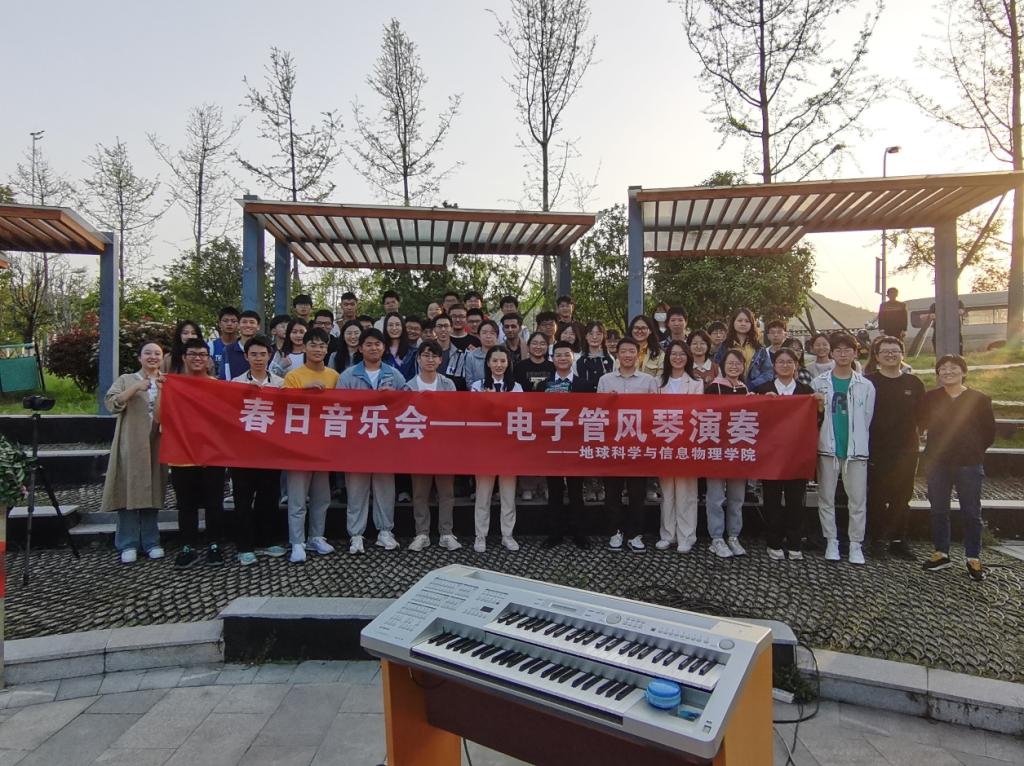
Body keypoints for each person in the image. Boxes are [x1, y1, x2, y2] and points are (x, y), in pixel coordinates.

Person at [920, 354, 996, 581]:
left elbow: (989, 432)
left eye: (953, 368)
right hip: (937, 462)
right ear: (938, 373)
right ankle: (941, 553)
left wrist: (974, 450)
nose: (948, 372)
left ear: (963, 372)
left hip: (969, 463)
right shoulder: (931, 397)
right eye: (943, 368)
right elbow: (922, 423)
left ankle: (973, 556)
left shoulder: (979, 399)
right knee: (938, 510)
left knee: (971, 512)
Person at [337, 328, 407, 554]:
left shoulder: (394, 375)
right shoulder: (348, 376)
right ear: (360, 348)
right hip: (357, 444)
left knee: (385, 489)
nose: (373, 348)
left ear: (384, 347)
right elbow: (339, 408)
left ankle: (385, 531)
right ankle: (356, 534)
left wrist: (394, 397)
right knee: (356, 490)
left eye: (378, 344)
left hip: (385, 443)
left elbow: (407, 406)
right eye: (368, 344)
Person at [811, 333, 875, 566]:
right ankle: (832, 541)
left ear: (855, 353)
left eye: (848, 350)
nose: (843, 354)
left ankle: (856, 544)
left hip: (855, 450)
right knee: (826, 497)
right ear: (831, 353)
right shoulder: (819, 383)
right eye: (838, 350)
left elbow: (867, 417)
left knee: (857, 500)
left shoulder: (865, 385)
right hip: (827, 448)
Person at [102, 341, 166, 564]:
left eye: (157, 353)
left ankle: (151, 541)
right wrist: (135, 388)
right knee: (127, 491)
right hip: (130, 442)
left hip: (157, 442)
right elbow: (111, 403)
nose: (152, 357)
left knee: (153, 491)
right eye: (148, 353)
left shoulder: (167, 381)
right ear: (139, 357)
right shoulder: (127, 379)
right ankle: (127, 542)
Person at [283, 327, 340, 563]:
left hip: (324, 445)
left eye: (322, 345)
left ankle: (316, 536)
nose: (318, 349)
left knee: (321, 496)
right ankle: (297, 542)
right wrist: (303, 392)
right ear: (304, 347)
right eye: (313, 345)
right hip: (299, 446)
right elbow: (283, 407)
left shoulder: (334, 376)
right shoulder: (293, 376)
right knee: (298, 498)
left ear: (327, 349)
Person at [169, 338, 227, 568]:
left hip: (212, 454)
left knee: (214, 503)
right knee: (186, 504)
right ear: (184, 357)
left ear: (209, 359)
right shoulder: (173, 385)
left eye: (202, 354)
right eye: (192, 354)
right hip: (182, 454)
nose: (198, 358)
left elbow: (224, 421)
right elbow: (162, 417)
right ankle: (187, 546)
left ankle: (214, 544)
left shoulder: (218, 386)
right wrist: (163, 390)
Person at [866, 336, 925, 560]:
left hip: (907, 449)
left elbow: (923, 415)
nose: (890, 355)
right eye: (885, 351)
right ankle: (877, 540)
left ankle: (899, 540)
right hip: (877, 448)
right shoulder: (868, 382)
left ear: (902, 354)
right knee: (877, 496)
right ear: (877, 356)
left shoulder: (914, 383)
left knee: (902, 496)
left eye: (894, 351)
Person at [597, 337, 658, 552]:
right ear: (617, 354)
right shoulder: (605, 380)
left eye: (632, 351)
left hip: (637, 446)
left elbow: (655, 412)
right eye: (623, 351)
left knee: (637, 492)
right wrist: (608, 401)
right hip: (613, 445)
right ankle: (615, 532)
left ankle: (635, 534)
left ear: (638, 354)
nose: (627, 355)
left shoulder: (648, 381)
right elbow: (597, 413)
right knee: (612, 491)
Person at [755, 348, 815, 560]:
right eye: (781, 361)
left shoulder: (806, 391)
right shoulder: (763, 389)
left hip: (797, 454)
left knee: (795, 499)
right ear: (774, 365)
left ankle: (795, 542)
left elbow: (815, 422)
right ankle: (773, 542)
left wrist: (819, 406)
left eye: (790, 362)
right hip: (770, 454)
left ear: (796, 365)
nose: (785, 365)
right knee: (771, 499)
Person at [231, 336, 286, 564]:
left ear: (270, 356)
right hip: (242, 452)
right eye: (253, 354)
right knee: (243, 499)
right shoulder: (235, 384)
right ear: (246, 357)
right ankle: (244, 546)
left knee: (269, 497)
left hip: (270, 451)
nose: (258, 358)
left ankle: (268, 541)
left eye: (263, 354)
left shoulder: (281, 384)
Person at [405, 341, 462, 552]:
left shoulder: (448, 384)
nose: (430, 360)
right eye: (426, 355)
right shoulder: (409, 386)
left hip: (443, 447)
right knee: (420, 493)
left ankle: (446, 533)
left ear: (440, 360)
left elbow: (454, 413)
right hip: (419, 448)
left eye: (434, 356)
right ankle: (422, 533)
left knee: (446, 492)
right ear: (418, 358)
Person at [539, 341, 591, 549]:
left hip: (575, 445)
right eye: (558, 355)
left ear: (573, 358)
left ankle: (579, 533)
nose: (562, 358)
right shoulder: (543, 386)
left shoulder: (584, 385)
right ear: (552, 359)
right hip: (551, 445)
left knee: (577, 491)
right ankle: (555, 533)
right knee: (554, 491)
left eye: (566, 355)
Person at [471, 346, 523, 552]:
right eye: (495, 361)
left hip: (508, 448)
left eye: (503, 361)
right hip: (485, 448)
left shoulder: (516, 387)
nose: (499, 365)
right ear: (488, 363)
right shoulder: (477, 386)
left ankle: (507, 535)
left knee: (508, 495)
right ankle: (480, 535)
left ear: (508, 363)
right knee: (483, 494)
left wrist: (495, 403)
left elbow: (519, 414)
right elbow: (475, 415)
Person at [656, 341, 703, 553]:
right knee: (667, 492)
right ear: (668, 358)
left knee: (686, 492)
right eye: (673, 354)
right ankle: (668, 534)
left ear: (688, 357)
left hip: (687, 443)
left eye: (682, 354)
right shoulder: (657, 383)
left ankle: (687, 535)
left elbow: (697, 413)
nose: (677, 358)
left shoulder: (696, 383)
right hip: (663, 443)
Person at [704, 349, 751, 558]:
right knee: (715, 497)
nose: (734, 367)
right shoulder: (713, 387)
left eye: (738, 363)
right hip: (717, 449)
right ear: (722, 365)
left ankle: (733, 536)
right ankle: (716, 538)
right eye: (730, 363)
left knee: (737, 497)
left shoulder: (744, 389)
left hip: (738, 451)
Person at [715, 308, 771, 388]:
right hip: (728, 389)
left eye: (747, 321)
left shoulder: (759, 348)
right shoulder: (725, 346)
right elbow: (717, 369)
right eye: (740, 320)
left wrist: (752, 385)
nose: (743, 324)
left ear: (752, 324)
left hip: (754, 390)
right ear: (733, 322)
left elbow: (768, 372)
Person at [432, 313, 469, 389]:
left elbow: (459, 380)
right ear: (434, 329)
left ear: (451, 329)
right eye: (439, 326)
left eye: (446, 326)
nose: (443, 329)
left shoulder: (459, 354)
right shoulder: (425, 352)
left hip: (451, 392)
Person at [748, 319, 788, 389]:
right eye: (772, 332)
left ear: (785, 334)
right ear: (768, 336)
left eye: (779, 332)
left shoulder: (790, 354)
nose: (775, 335)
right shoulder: (761, 353)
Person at [576, 321, 614, 392]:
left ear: (603, 336)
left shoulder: (610, 359)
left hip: (604, 398)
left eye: (598, 334)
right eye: (591, 334)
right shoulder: (578, 359)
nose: (594, 337)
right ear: (586, 336)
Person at [209, 306, 245, 380]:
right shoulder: (211, 346)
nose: (229, 324)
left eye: (233, 321)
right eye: (225, 321)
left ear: (239, 324)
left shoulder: (244, 346)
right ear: (219, 324)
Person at [463, 319, 501, 390]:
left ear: (497, 336)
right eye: (484, 333)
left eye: (492, 333)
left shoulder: (504, 355)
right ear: (479, 336)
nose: (488, 336)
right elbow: (469, 382)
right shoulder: (471, 356)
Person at [382, 311, 417, 378]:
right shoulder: (380, 351)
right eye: (390, 325)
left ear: (403, 327)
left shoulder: (413, 352)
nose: (394, 328)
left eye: (397, 324)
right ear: (385, 328)